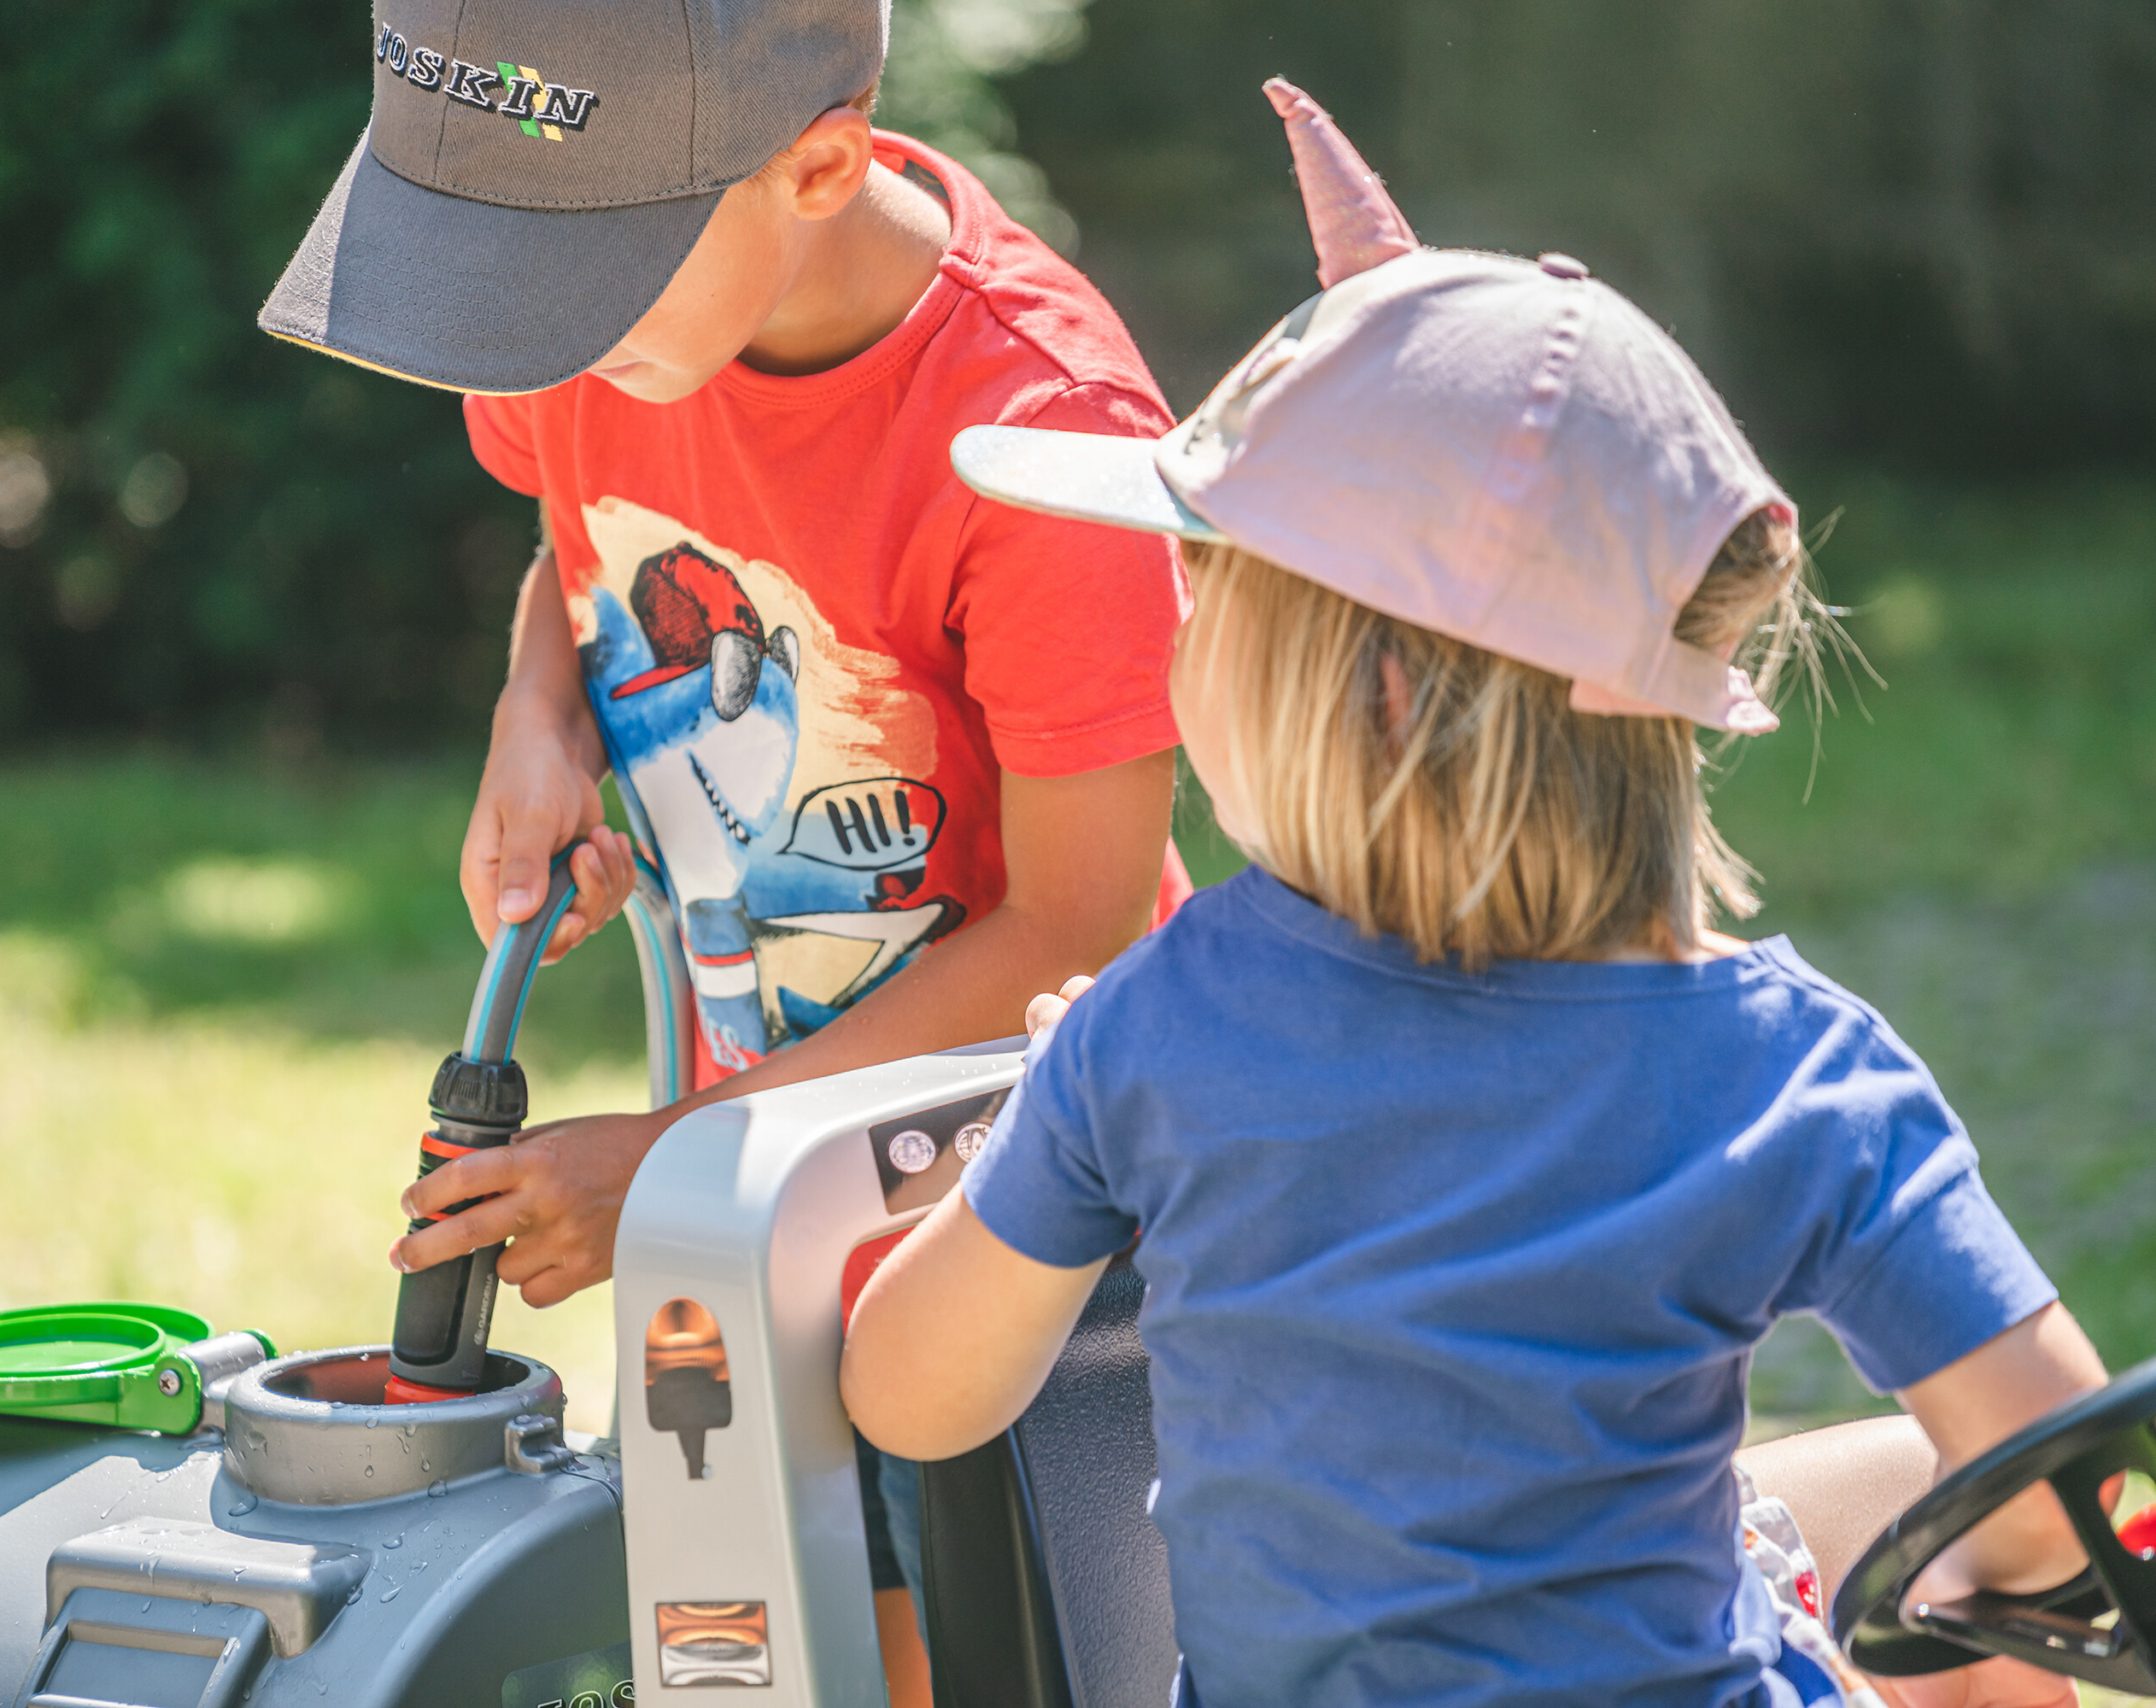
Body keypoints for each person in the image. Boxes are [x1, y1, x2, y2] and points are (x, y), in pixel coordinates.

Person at [841, 79, 2112, 1708]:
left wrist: (1043, 1133)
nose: (1168, 647)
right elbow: (2061, 1472)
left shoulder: (1159, 1028)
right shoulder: (1804, 1075)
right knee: (1957, 1619)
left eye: (1198, 596)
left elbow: (909, 1399)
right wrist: (1979, 1598)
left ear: (1353, 693)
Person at [257, 3, 1192, 1698]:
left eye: (569, 296)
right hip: (741, 1199)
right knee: (749, 1650)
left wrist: (673, 1158)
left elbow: (1083, 923)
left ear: (816, 165)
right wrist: (535, 716)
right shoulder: (615, 328)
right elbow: (574, 539)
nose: (531, 344)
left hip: (1035, 1247)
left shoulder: (1046, 438)